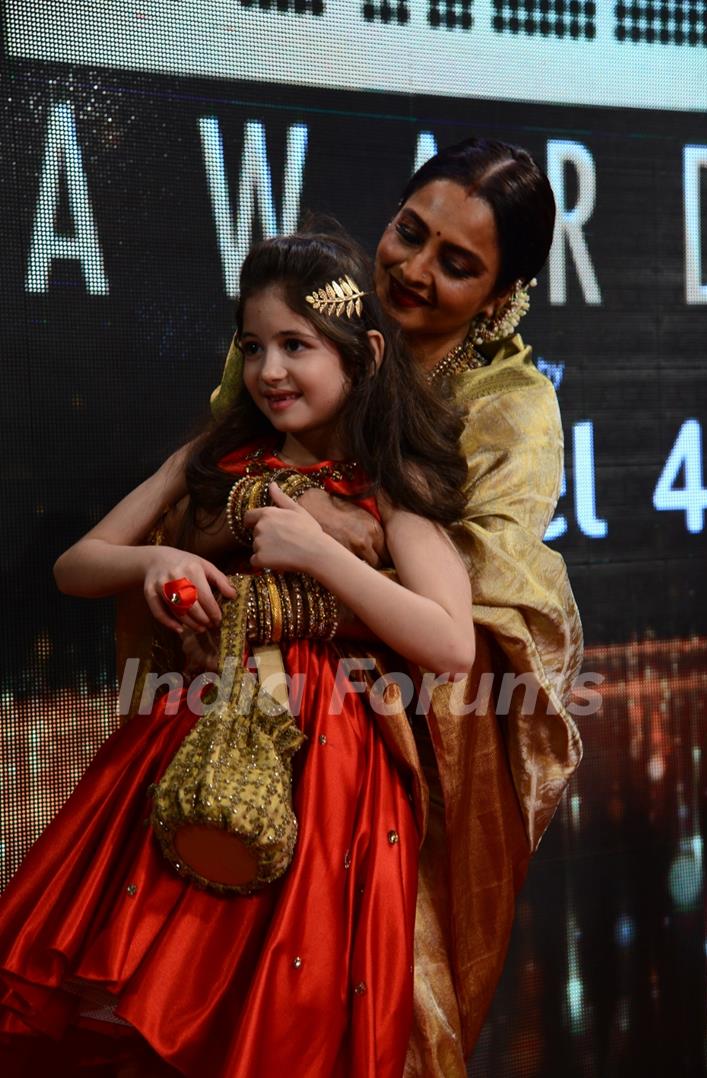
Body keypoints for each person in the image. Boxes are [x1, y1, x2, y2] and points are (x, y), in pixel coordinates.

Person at [0, 232, 476, 1077]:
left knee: (277, 1007)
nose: (270, 371)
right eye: (253, 347)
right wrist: (160, 558)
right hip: (197, 727)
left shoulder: (389, 482)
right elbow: (77, 566)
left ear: (363, 355)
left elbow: (450, 642)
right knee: (155, 973)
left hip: (330, 763)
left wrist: (322, 553)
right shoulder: (213, 462)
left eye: (297, 346)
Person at [191, 138, 585, 1074]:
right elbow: (213, 483)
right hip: (247, 703)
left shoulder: (510, 407)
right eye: (410, 233)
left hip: (402, 747)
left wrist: (321, 569)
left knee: (354, 1009)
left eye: (458, 265)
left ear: (500, 297)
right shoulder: (311, 323)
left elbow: (487, 608)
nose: (412, 268)